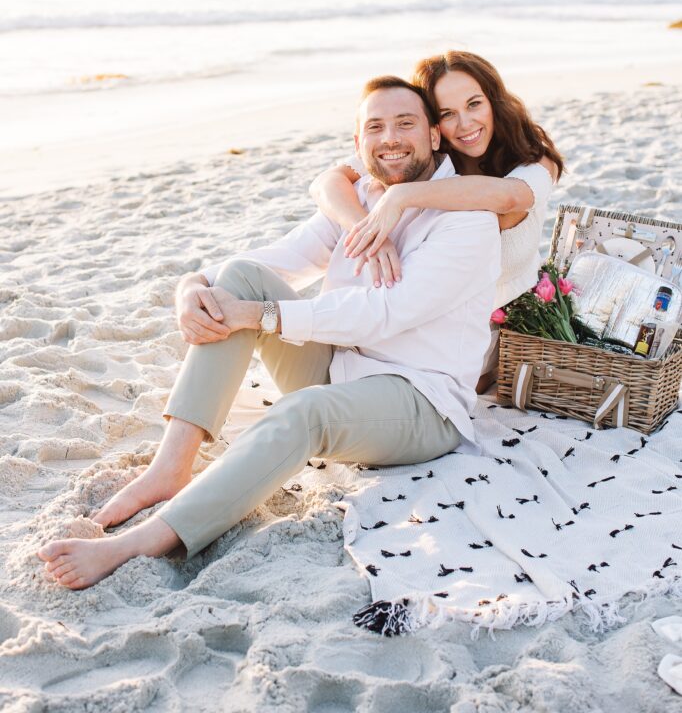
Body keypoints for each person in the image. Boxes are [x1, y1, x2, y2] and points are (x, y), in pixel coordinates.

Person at [37, 75, 501, 590]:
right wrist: (191, 288)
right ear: (357, 143)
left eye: (405, 124)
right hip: (341, 369)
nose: (390, 137)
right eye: (375, 127)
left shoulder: (467, 222)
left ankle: (145, 539)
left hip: (420, 401)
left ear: (435, 136)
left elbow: (385, 312)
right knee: (238, 278)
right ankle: (171, 467)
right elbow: (272, 262)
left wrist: (262, 316)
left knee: (303, 409)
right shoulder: (363, 199)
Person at [310, 51, 563, 392]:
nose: (465, 125)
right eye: (447, 114)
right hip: (418, 313)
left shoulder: (533, 161)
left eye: (474, 104)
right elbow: (327, 182)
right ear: (432, 124)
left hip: (493, 325)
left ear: (494, 101)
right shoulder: (427, 153)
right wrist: (367, 228)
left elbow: (509, 197)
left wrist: (401, 196)